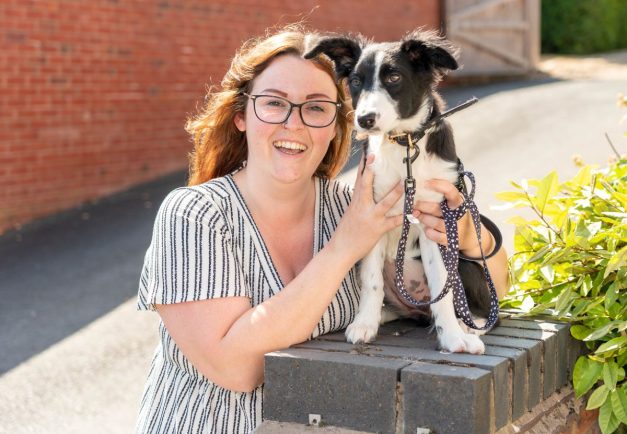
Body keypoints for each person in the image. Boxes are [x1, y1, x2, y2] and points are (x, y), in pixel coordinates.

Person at [135, 25, 509, 434]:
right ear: (241, 116)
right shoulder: (195, 215)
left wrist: (470, 236)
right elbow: (236, 369)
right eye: (274, 103)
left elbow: (488, 293)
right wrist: (344, 247)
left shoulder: (348, 205)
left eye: (315, 107)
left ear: (336, 123)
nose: (294, 124)